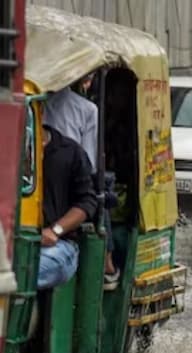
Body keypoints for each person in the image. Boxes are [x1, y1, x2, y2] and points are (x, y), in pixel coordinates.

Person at [43, 78, 120, 290]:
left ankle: (106, 261)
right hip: (68, 179)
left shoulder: (83, 110)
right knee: (99, 189)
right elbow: (91, 165)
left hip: (65, 188)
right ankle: (108, 264)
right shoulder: (85, 108)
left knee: (97, 194)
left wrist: (55, 230)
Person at [38, 125, 98, 290]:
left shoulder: (70, 152)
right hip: (11, 245)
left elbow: (87, 201)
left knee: (24, 272)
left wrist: (55, 230)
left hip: (58, 246)